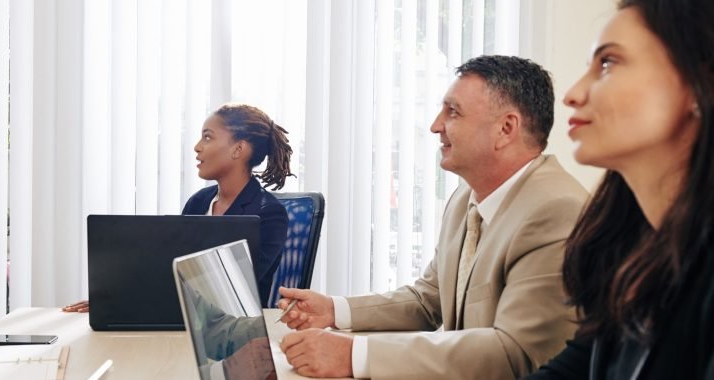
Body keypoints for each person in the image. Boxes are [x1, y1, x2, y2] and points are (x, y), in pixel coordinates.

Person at [276, 56, 589, 379]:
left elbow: (516, 352)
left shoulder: (555, 210)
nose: (435, 125)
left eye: (453, 111)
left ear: (506, 129)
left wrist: (354, 354)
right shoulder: (464, 198)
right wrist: (334, 309)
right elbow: (429, 300)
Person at [525, 0, 714, 378]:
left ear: (699, 84)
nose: (573, 94)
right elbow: (576, 368)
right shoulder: (630, 243)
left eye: (608, 63)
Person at [64, 104, 293, 312]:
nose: (197, 147)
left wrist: (134, 298)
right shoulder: (199, 201)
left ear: (238, 149)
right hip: (185, 321)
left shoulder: (269, 214)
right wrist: (117, 297)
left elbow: (231, 288)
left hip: (233, 329)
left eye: (207, 137)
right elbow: (173, 269)